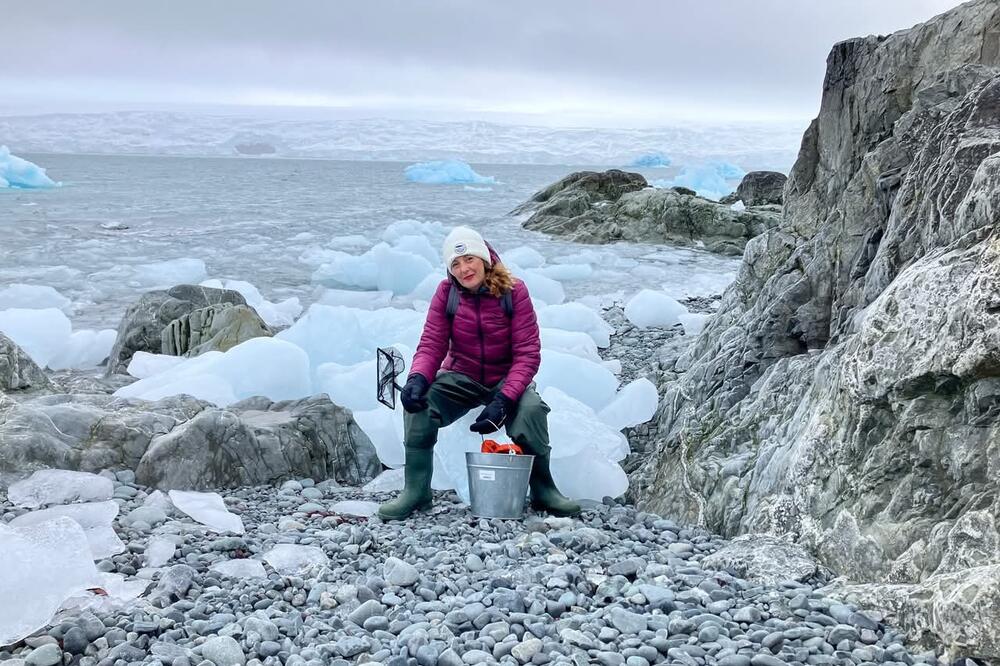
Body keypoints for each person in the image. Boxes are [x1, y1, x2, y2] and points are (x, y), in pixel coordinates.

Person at [378, 226, 581, 521]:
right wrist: (417, 379)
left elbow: (527, 353)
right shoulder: (446, 294)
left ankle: (543, 490)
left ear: (484, 259)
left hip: (505, 377)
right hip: (462, 375)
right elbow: (432, 343)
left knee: (531, 410)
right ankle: (417, 491)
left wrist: (504, 400)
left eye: (469, 259)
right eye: (455, 264)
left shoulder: (514, 292)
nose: (464, 269)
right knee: (419, 406)